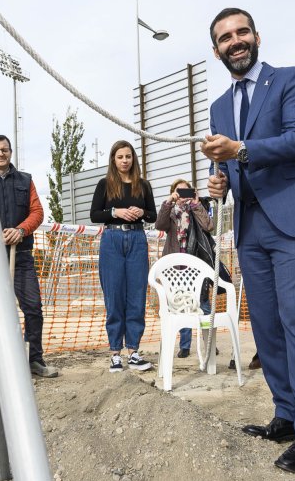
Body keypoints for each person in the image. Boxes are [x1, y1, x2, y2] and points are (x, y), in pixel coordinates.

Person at [202, 7, 295, 474]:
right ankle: (287, 413)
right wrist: (220, 182)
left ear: (256, 37)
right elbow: (227, 167)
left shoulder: (290, 80)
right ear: (216, 49)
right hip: (250, 225)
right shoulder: (219, 106)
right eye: (224, 38)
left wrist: (239, 150)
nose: (235, 42)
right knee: (264, 322)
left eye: (241, 33)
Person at [0, 134, 59, 378]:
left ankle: (34, 360)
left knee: (33, 308)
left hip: (22, 256)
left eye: (4, 149)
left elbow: (37, 212)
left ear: (10, 152)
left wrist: (21, 230)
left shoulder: (25, 180)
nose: (0, 154)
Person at [90, 140, 156, 373]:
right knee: (114, 295)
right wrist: (115, 212)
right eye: (120, 157)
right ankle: (115, 353)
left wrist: (142, 212)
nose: (125, 160)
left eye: (128, 156)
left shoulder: (143, 185)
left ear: (133, 159)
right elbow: (95, 215)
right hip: (112, 240)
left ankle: (134, 352)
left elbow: (153, 215)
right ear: (113, 160)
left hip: (137, 239)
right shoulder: (105, 184)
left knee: (136, 296)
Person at [155, 178, 213, 358]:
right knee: (180, 304)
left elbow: (209, 226)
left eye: (186, 191)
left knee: (202, 303)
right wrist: (169, 202)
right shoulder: (170, 211)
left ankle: (210, 342)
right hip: (175, 265)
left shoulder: (197, 208)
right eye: (179, 192)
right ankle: (185, 345)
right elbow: (160, 225)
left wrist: (196, 204)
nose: (183, 196)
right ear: (173, 193)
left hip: (196, 263)